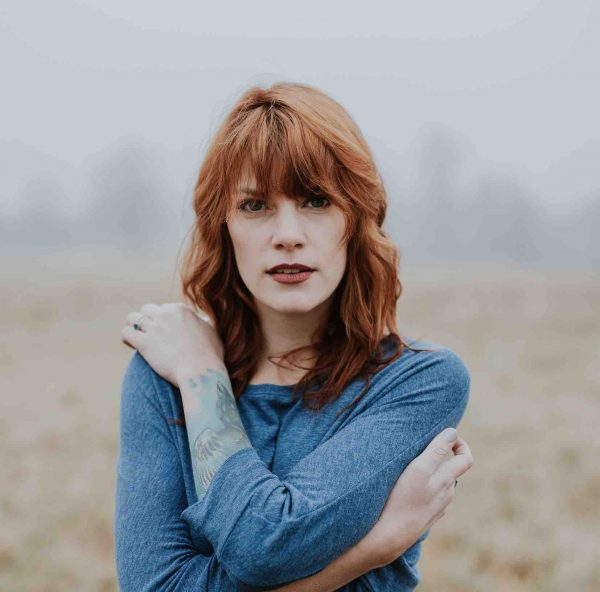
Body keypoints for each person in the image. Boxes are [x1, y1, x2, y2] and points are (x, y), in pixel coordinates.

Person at [115, 81, 474, 591]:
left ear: (357, 219)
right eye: (255, 206)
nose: (288, 233)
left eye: (316, 200)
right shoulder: (165, 372)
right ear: (223, 227)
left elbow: (265, 543)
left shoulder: (419, 381)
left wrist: (201, 379)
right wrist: (372, 548)